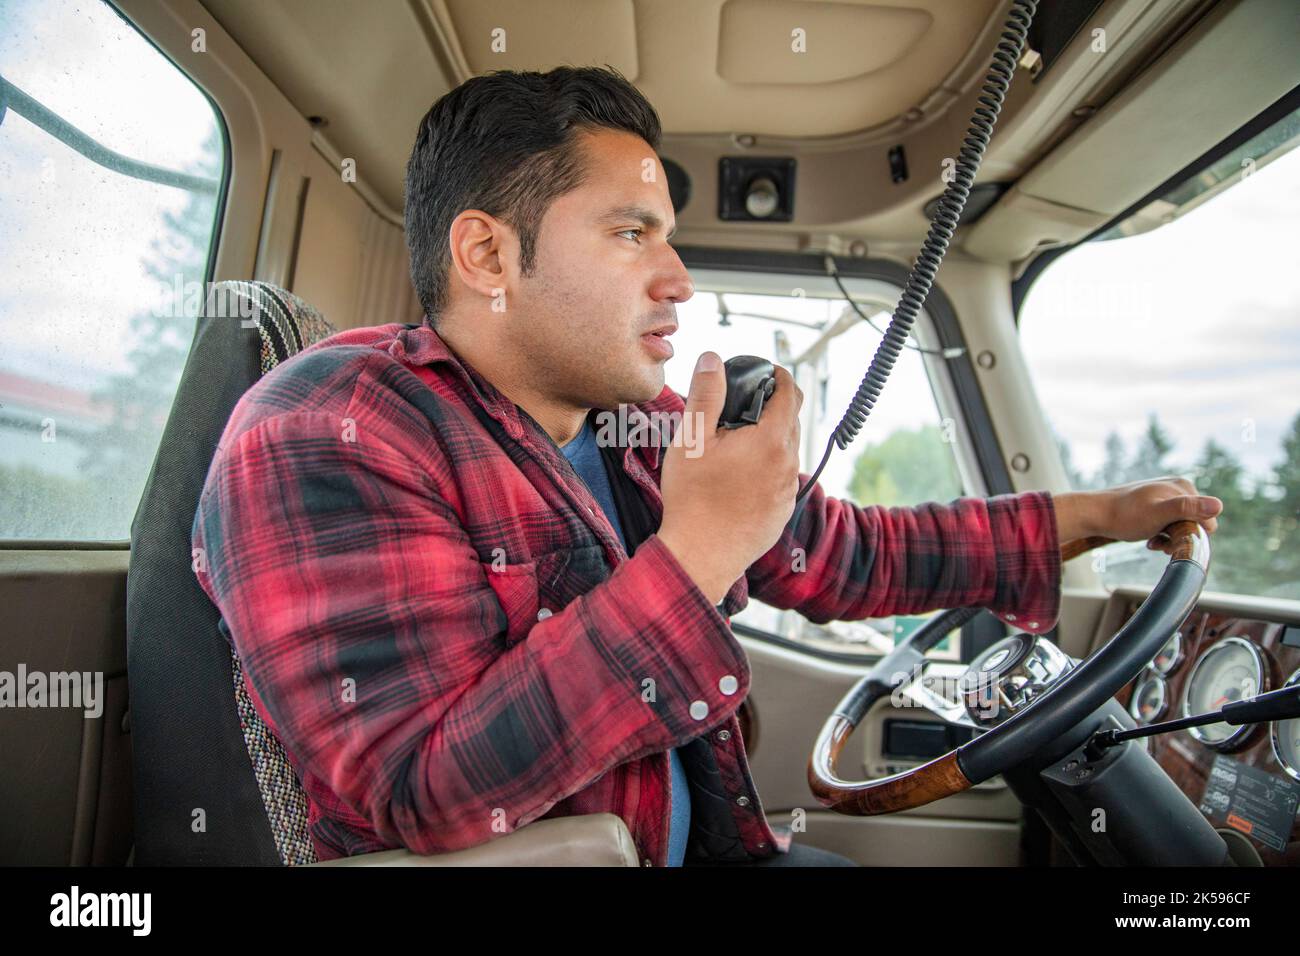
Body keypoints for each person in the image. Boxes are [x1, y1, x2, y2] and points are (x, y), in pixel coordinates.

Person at [192, 66, 1222, 868]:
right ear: (488, 256)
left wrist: (1087, 515)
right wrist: (696, 553)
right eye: (631, 233)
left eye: (669, 239)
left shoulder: (636, 425)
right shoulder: (328, 427)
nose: (679, 279)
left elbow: (842, 556)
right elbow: (424, 786)